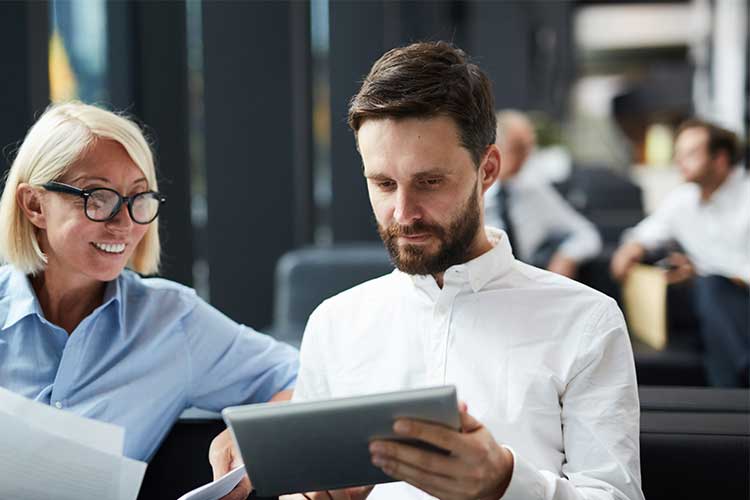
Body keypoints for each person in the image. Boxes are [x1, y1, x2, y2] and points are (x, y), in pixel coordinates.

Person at [274, 41, 643, 500]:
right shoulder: (335, 323)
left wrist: (504, 482)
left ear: (487, 170)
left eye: (429, 182)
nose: (403, 213)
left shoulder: (585, 321)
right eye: (384, 184)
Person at [0, 102, 298, 496]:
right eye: (98, 197)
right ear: (34, 204)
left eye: (138, 198)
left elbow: (306, 375)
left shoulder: (172, 322)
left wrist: (250, 435)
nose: (123, 223)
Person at [611, 119, 749, 387]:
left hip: (740, 299)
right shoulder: (682, 200)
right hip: (710, 304)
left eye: (690, 153)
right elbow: (643, 234)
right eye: (678, 152)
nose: (679, 161)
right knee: (708, 294)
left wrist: (705, 274)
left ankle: (727, 397)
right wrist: (631, 249)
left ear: (720, 159)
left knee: (711, 290)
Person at [484, 110, 602, 279]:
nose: (525, 157)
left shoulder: (534, 190)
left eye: (529, 148)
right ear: (494, 150)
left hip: (526, 286)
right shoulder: (472, 195)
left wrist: (566, 257)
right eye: (518, 148)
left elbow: (587, 234)